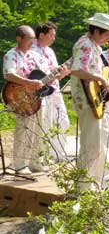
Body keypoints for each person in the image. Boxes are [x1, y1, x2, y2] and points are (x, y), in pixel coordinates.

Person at [69, 13, 109, 190]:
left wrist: (106, 71)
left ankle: (102, 180)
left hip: (95, 101)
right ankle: (84, 187)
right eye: (108, 35)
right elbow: (77, 69)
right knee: (91, 143)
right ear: (97, 31)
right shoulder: (85, 44)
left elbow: (93, 69)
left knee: (102, 140)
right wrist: (100, 77)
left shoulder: (95, 47)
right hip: (87, 100)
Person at [2, 26, 48, 175]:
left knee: (39, 130)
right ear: (19, 38)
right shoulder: (11, 55)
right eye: (29, 38)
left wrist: (59, 73)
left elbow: (44, 74)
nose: (32, 42)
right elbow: (9, 74)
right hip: (19, 97)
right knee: (24, 130)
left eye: (33, 39)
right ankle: (20, 164)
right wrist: (27, 83)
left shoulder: (35, 55)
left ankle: (35, 161)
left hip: (36, 98)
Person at [32, 22, 71, 163]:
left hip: (55, 91)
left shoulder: (50, 51)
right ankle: (44, 157)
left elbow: (55, 73)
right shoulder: (31, 50)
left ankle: (58, 154)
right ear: (41, 35)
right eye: (52, 35)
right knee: (45, 124)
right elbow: (37, 74)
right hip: (41, 94)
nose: (54, 38)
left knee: (63, 121)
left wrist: (63, 72)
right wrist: (55, 73)